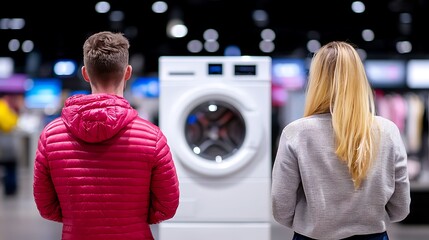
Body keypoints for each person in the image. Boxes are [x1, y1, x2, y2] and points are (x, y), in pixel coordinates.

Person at [33, 31, 180, 240]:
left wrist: (81, 218)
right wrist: (130, 217)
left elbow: (46, 206)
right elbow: (167, 206)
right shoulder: (152, 137)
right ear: (128, 72)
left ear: (85, 73)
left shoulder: (51, 136)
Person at [271, 41, 411, 240]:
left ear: (316, 79)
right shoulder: (387, 131)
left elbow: (281, 206)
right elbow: (401, 207)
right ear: (359, 78)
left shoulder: (296, 133)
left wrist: (312, 223)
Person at [0, 93, 24, 196]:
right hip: (7, 144)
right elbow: (9, 124)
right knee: (10, 168)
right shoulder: (4, 108)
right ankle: (10, 189)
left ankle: (9, 188)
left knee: (7, 168)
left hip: (5, 145)